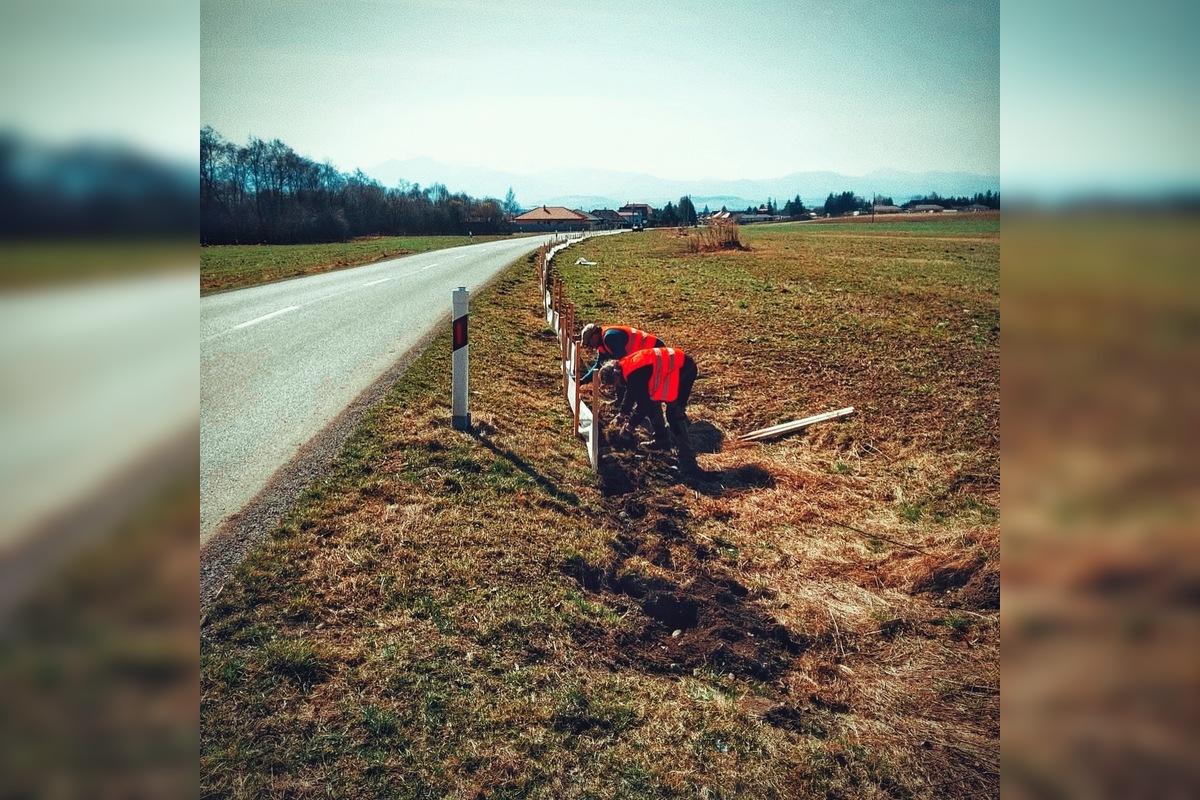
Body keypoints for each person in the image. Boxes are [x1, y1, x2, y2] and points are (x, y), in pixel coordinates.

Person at [601, 346, 697, 462]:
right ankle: (662, 440)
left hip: (683, 368)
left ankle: (687, 453)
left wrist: (629, 426)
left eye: (615, 384)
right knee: (652, 405)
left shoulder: (634, 372)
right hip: (673, 367)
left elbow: (643, 405)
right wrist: (622, 413)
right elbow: (631, 391)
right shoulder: (626, 366)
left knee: (674, 413)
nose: (618, 387)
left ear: (615, 376)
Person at [578, 323, 665, 386]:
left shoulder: (610, 338)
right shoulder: (602, 343)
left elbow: (623, 364)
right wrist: (583, 381)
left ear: (594, 336)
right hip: (646, 355)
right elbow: (599, 365)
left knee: (647, 384)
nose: (591, 346)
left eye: (589, 342)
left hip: (655, 349)